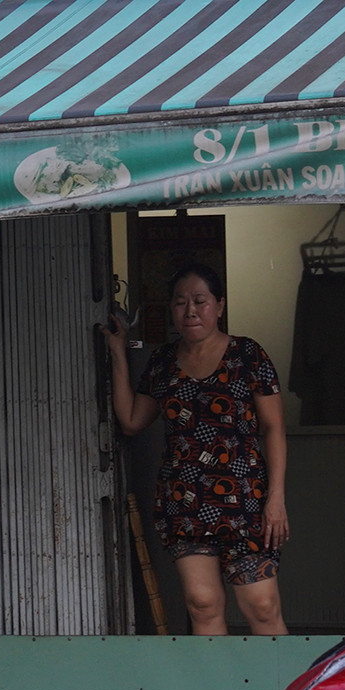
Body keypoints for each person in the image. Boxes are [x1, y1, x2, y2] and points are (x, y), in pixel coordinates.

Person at [104, 266, 290, 636]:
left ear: (219, 306)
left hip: (246, 502)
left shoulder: (248, 354)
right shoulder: (162, 363)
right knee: (202, 606)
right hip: (184, 501)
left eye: (200, 301)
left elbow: (274, 428)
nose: (190, 311)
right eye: (180, 302)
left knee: (263, 607)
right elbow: (130, 420)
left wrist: (277, 497)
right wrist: (118, 353)